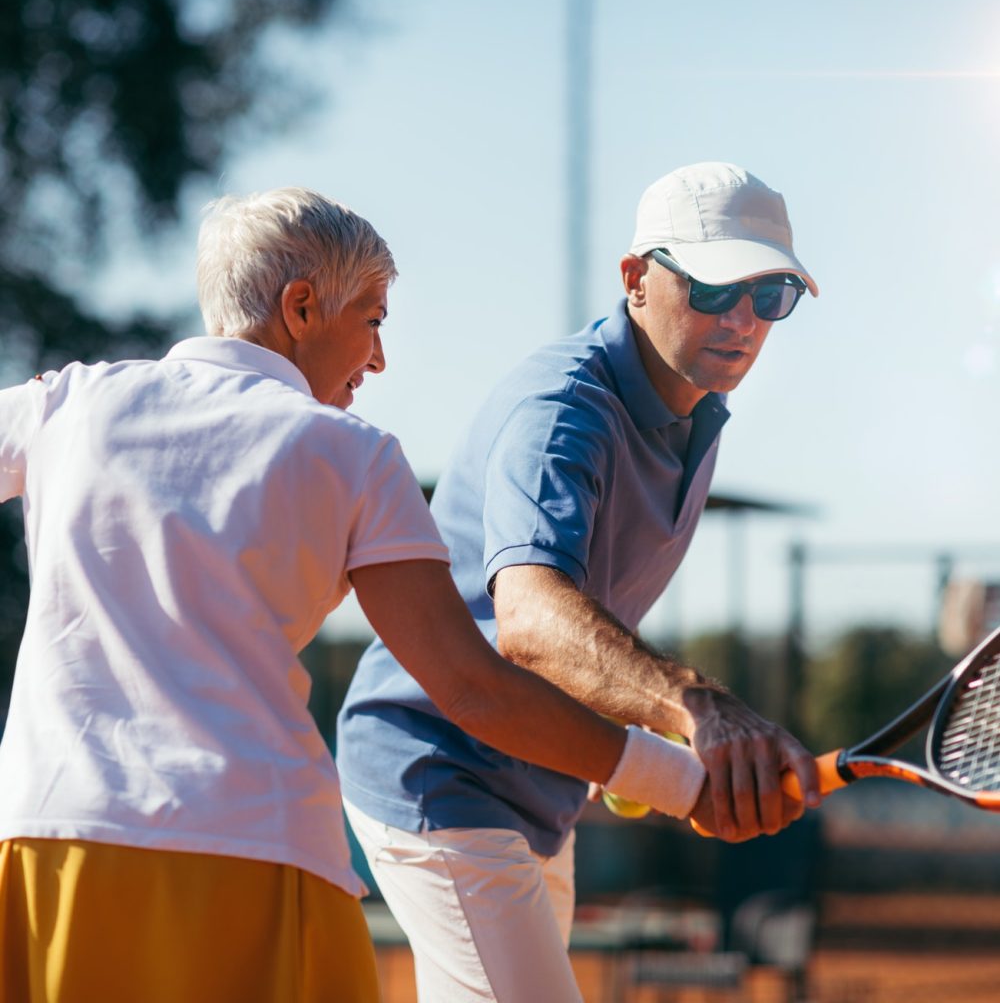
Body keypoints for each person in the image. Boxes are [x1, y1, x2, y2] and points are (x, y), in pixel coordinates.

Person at [0, 186, 758, 1003]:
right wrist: (679, 780)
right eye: (372, 320)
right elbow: (473, 688)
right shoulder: (355, 454)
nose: (379, 358)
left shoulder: (67, 404)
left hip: (54, 835)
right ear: (300, 307)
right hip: (260, 847)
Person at [336, 161, 823, 1003]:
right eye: (713, 289)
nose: (742, 320)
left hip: (540, 782)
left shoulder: (694, 412)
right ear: (636, 279)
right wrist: (695, 705)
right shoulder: (564, 409)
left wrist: (625, 718)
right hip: (438, 769)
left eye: (770, 295)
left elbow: (585, 625)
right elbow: (528, 617)